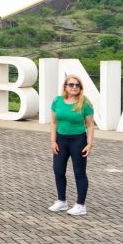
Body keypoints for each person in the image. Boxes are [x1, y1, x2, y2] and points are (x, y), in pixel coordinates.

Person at [49, 75, 95, 216]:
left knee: (79, 172)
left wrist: (89, 144)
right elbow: (54, 123)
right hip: (61, 140)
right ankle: (62, 201)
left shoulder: (85, 103)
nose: (74, 87)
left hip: (78, 140)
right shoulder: (57, 101)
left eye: (77, 85)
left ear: (80, 88)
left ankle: (80, 205)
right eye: (71, 84)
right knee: (58, 170)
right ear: (65, 87)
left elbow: (90, 125)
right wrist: (53, 141)